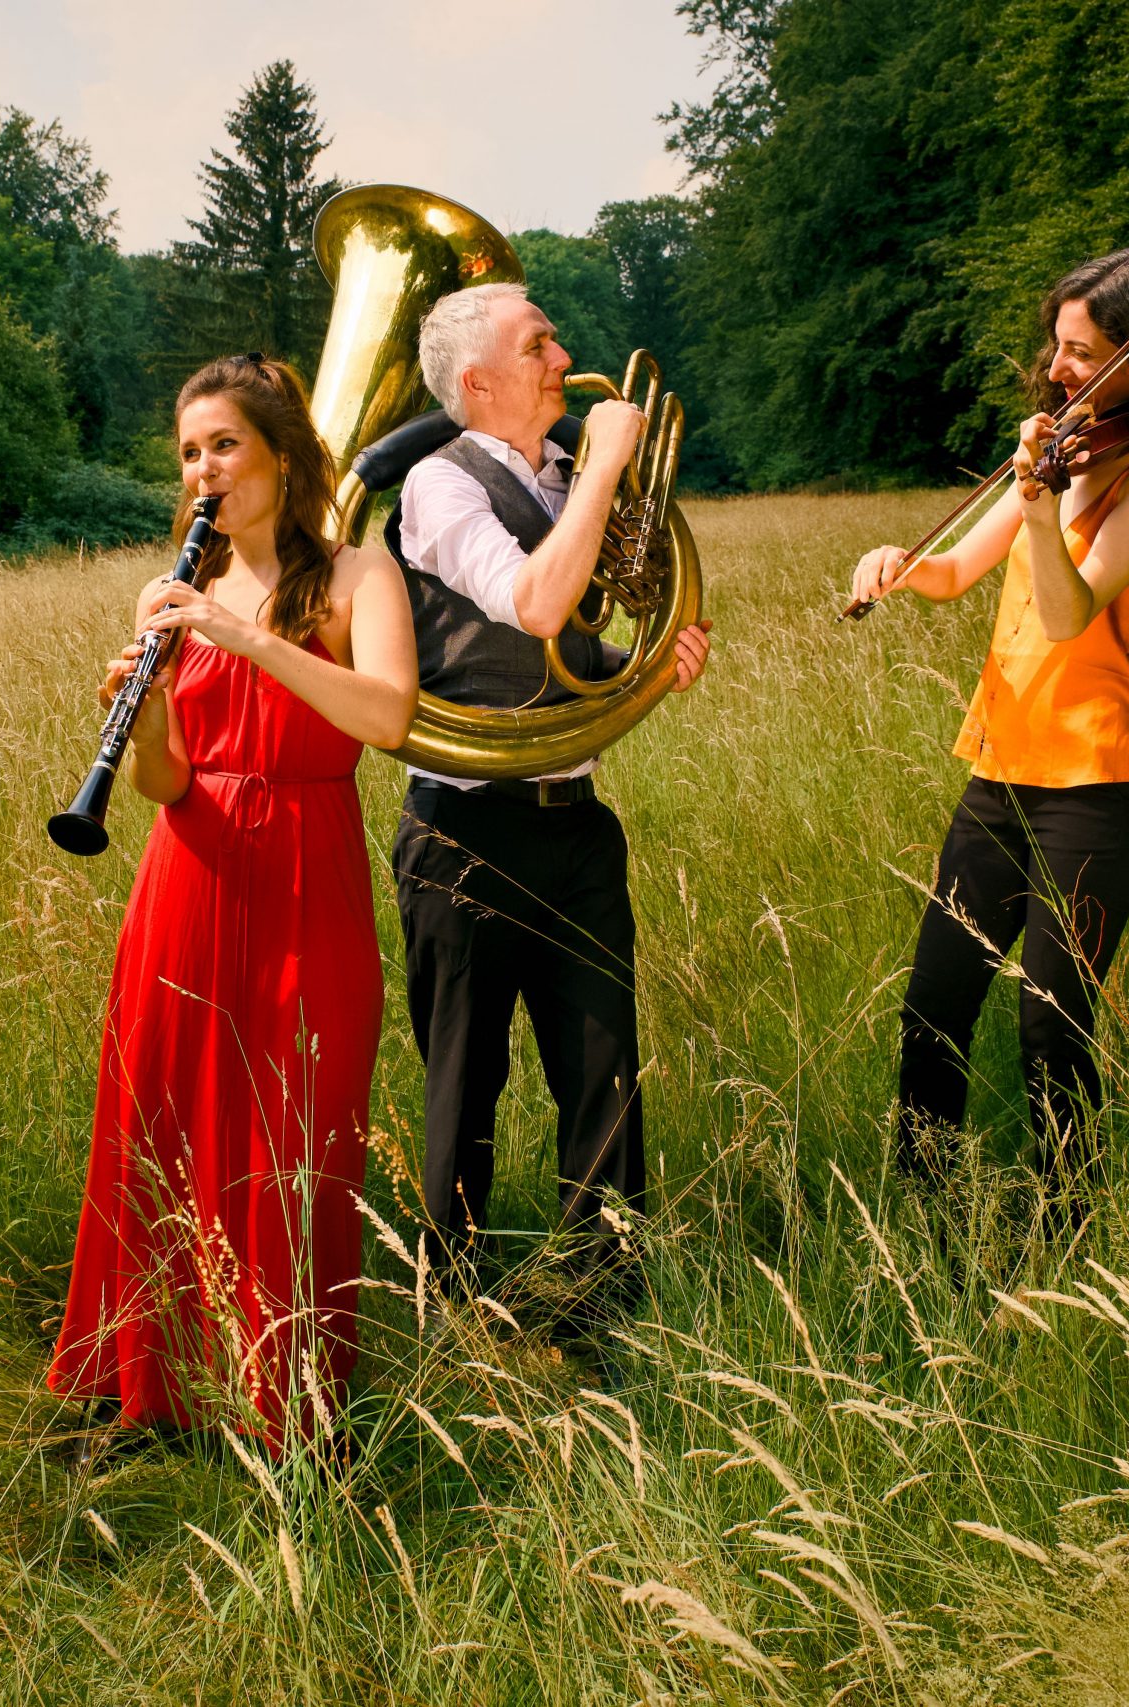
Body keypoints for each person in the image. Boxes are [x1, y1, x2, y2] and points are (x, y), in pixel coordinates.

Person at [46, 355, 418, 1457]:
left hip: (306, 871)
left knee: (298, 1136)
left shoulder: (359, 575)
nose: (201, 469)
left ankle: (292, 1409)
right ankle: (155, 1392)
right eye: (188, 451)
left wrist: (244, 633)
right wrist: (149, 710)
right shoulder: (169, 595)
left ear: (281, 456)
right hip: (189, 873)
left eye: (223, 444)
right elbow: (164, 781)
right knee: (162, 1124)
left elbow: (387, 718)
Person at [846, 247, 1129, 1229]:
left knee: (1049, 1026)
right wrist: (900, 561)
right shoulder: (1067, 447)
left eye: (1082, 352)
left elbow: (1069, 612)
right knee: (933, 1006)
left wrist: (1037, 509)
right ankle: (928, 1218)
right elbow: (955, 572)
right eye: (1057, 346)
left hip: (1102, 787)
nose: (1056, 368)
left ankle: (1069, 1231)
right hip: (1002, 771)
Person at [388, 283, 712, 1329]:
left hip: (575, 823)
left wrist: (643, 662)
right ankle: (450, 1308)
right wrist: (608, 465)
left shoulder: (567, 475)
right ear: (479, 382)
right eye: (539, 345)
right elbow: (530, 601)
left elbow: (571, 639)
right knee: (464, 1084)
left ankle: (603, 1307)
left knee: (602, 1073)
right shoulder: (437, 485)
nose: (563, 357)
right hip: (463, 833)